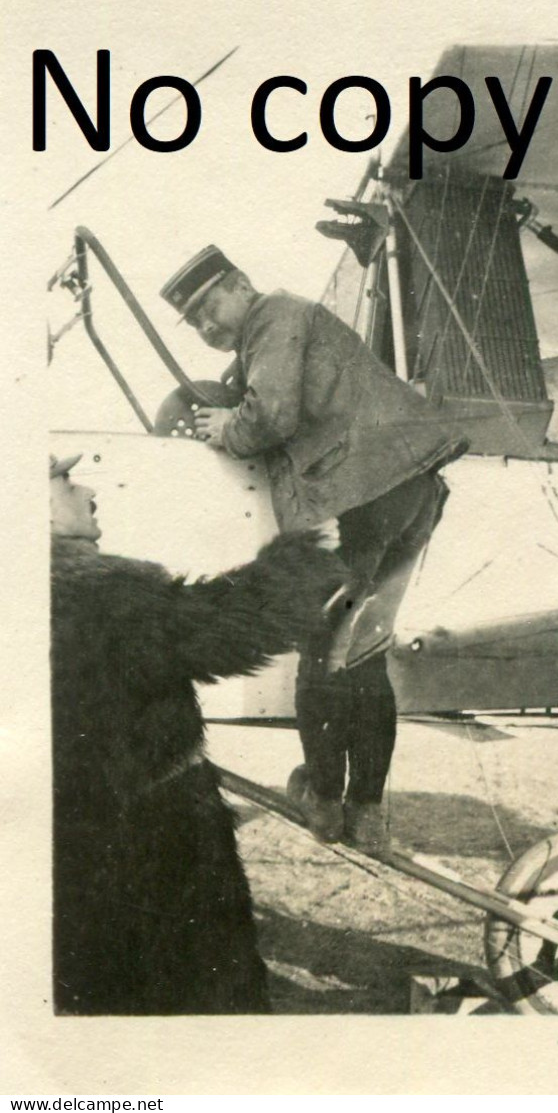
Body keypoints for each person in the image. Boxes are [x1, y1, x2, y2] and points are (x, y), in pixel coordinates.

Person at [159, 246, 468, 854]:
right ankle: (368, 809)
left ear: (242, 284)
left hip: (364, 498)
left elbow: (269, 415)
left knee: (320, 650)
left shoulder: (274, 316)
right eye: (194, 320)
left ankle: (324, 800)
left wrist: (226, 428)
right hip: (410, 493)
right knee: (364, 653)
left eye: (210, 305)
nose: (206, 325)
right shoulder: (278, 331)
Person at [50, 452, 346, 1014]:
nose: (88, 490)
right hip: (152, 844)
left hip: (78, 847)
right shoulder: (93, 598)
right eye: (65, 481)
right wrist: (306, 559)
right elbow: (221, 629)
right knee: (201, 1004)